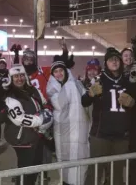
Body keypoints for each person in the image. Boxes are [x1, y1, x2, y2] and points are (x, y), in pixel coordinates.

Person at [82, 47, 136, 185]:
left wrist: (133, 103)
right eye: (110, 59)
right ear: (105, 63)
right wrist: (90, 94)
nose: (114, 61)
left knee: (117, 175)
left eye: (116, 59)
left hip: (121, 136)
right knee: (95, 173)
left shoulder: (127, 81)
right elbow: (84, 102)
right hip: (101, 135)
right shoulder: (99, 80)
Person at [2, 64, 53, 185]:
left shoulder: (33, 90)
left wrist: (47, 113)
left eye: (21, 75)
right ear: (10, 78)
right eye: (15, 76)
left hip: (37, 138)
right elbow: (19, 119)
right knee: (25, 173)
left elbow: (45, 103)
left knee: (35, 170)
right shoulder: (10, 96)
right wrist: (41, 120)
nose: (19, 79)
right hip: (22, 140)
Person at [47, 56, 90, 185]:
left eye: (61, 70)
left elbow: (86, 101)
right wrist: (69, 86)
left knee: (80, 159)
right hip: (63, 131)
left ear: (66, 71)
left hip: (79, 130)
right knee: (65, 160)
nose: (59, 74)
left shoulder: (76, 84)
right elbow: (59, 104)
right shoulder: (52, 89)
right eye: (56, 72)